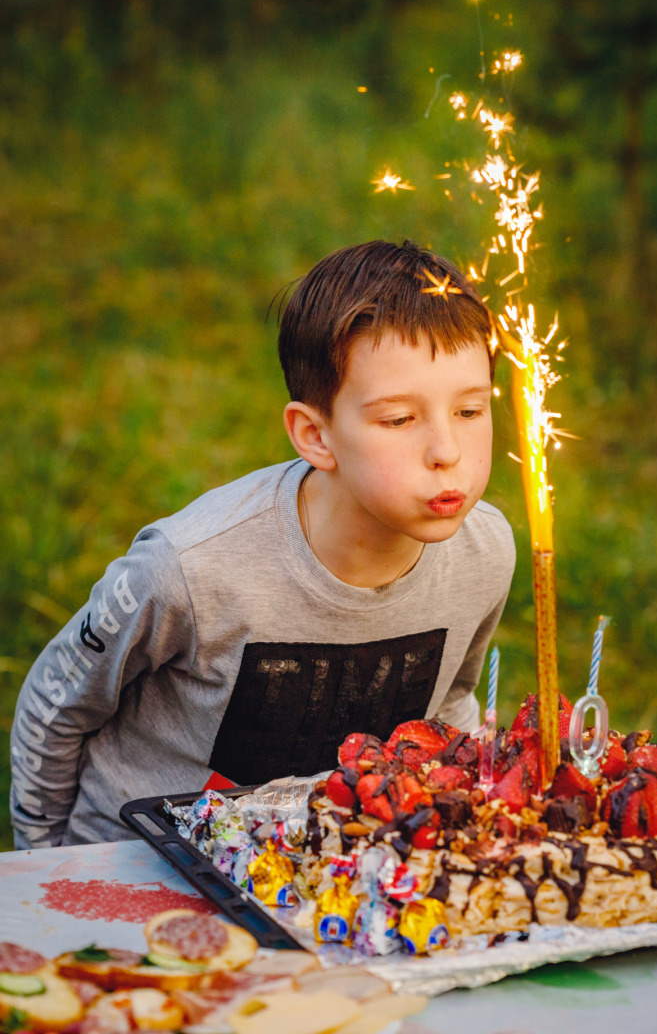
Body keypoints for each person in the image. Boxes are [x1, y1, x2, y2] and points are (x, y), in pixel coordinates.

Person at [10, 239, 515, 848]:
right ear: (315, 435)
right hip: (141, 864)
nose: (447, 453)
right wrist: (43, 865)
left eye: (469, 410)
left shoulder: (486, 553)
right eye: (399, 420)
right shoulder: (189, 568)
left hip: (325, 875)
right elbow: (56, 704)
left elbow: (451, 699)